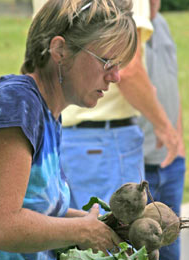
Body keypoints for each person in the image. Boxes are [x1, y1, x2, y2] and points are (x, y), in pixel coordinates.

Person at [0, 0, 138, 260]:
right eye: (106, 61)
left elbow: (33, 209)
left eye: (119, 65)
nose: (115, 76)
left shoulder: (47, 112)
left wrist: (101, 224)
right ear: (60, 49)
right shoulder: (15, 104)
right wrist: (83, 231)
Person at [60, 0, 179, 213]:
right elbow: (128, 69)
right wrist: (164, 127)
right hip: (107, 143)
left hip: (64, 133)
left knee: (73, 238)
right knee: (117, 239)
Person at [137, 0, 186, 260]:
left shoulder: (163, 25)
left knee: (170, 243)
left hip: (171, 161)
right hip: (141, 162)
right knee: (139, 253)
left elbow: (171, 86)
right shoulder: (124, 27)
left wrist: (177, 140)